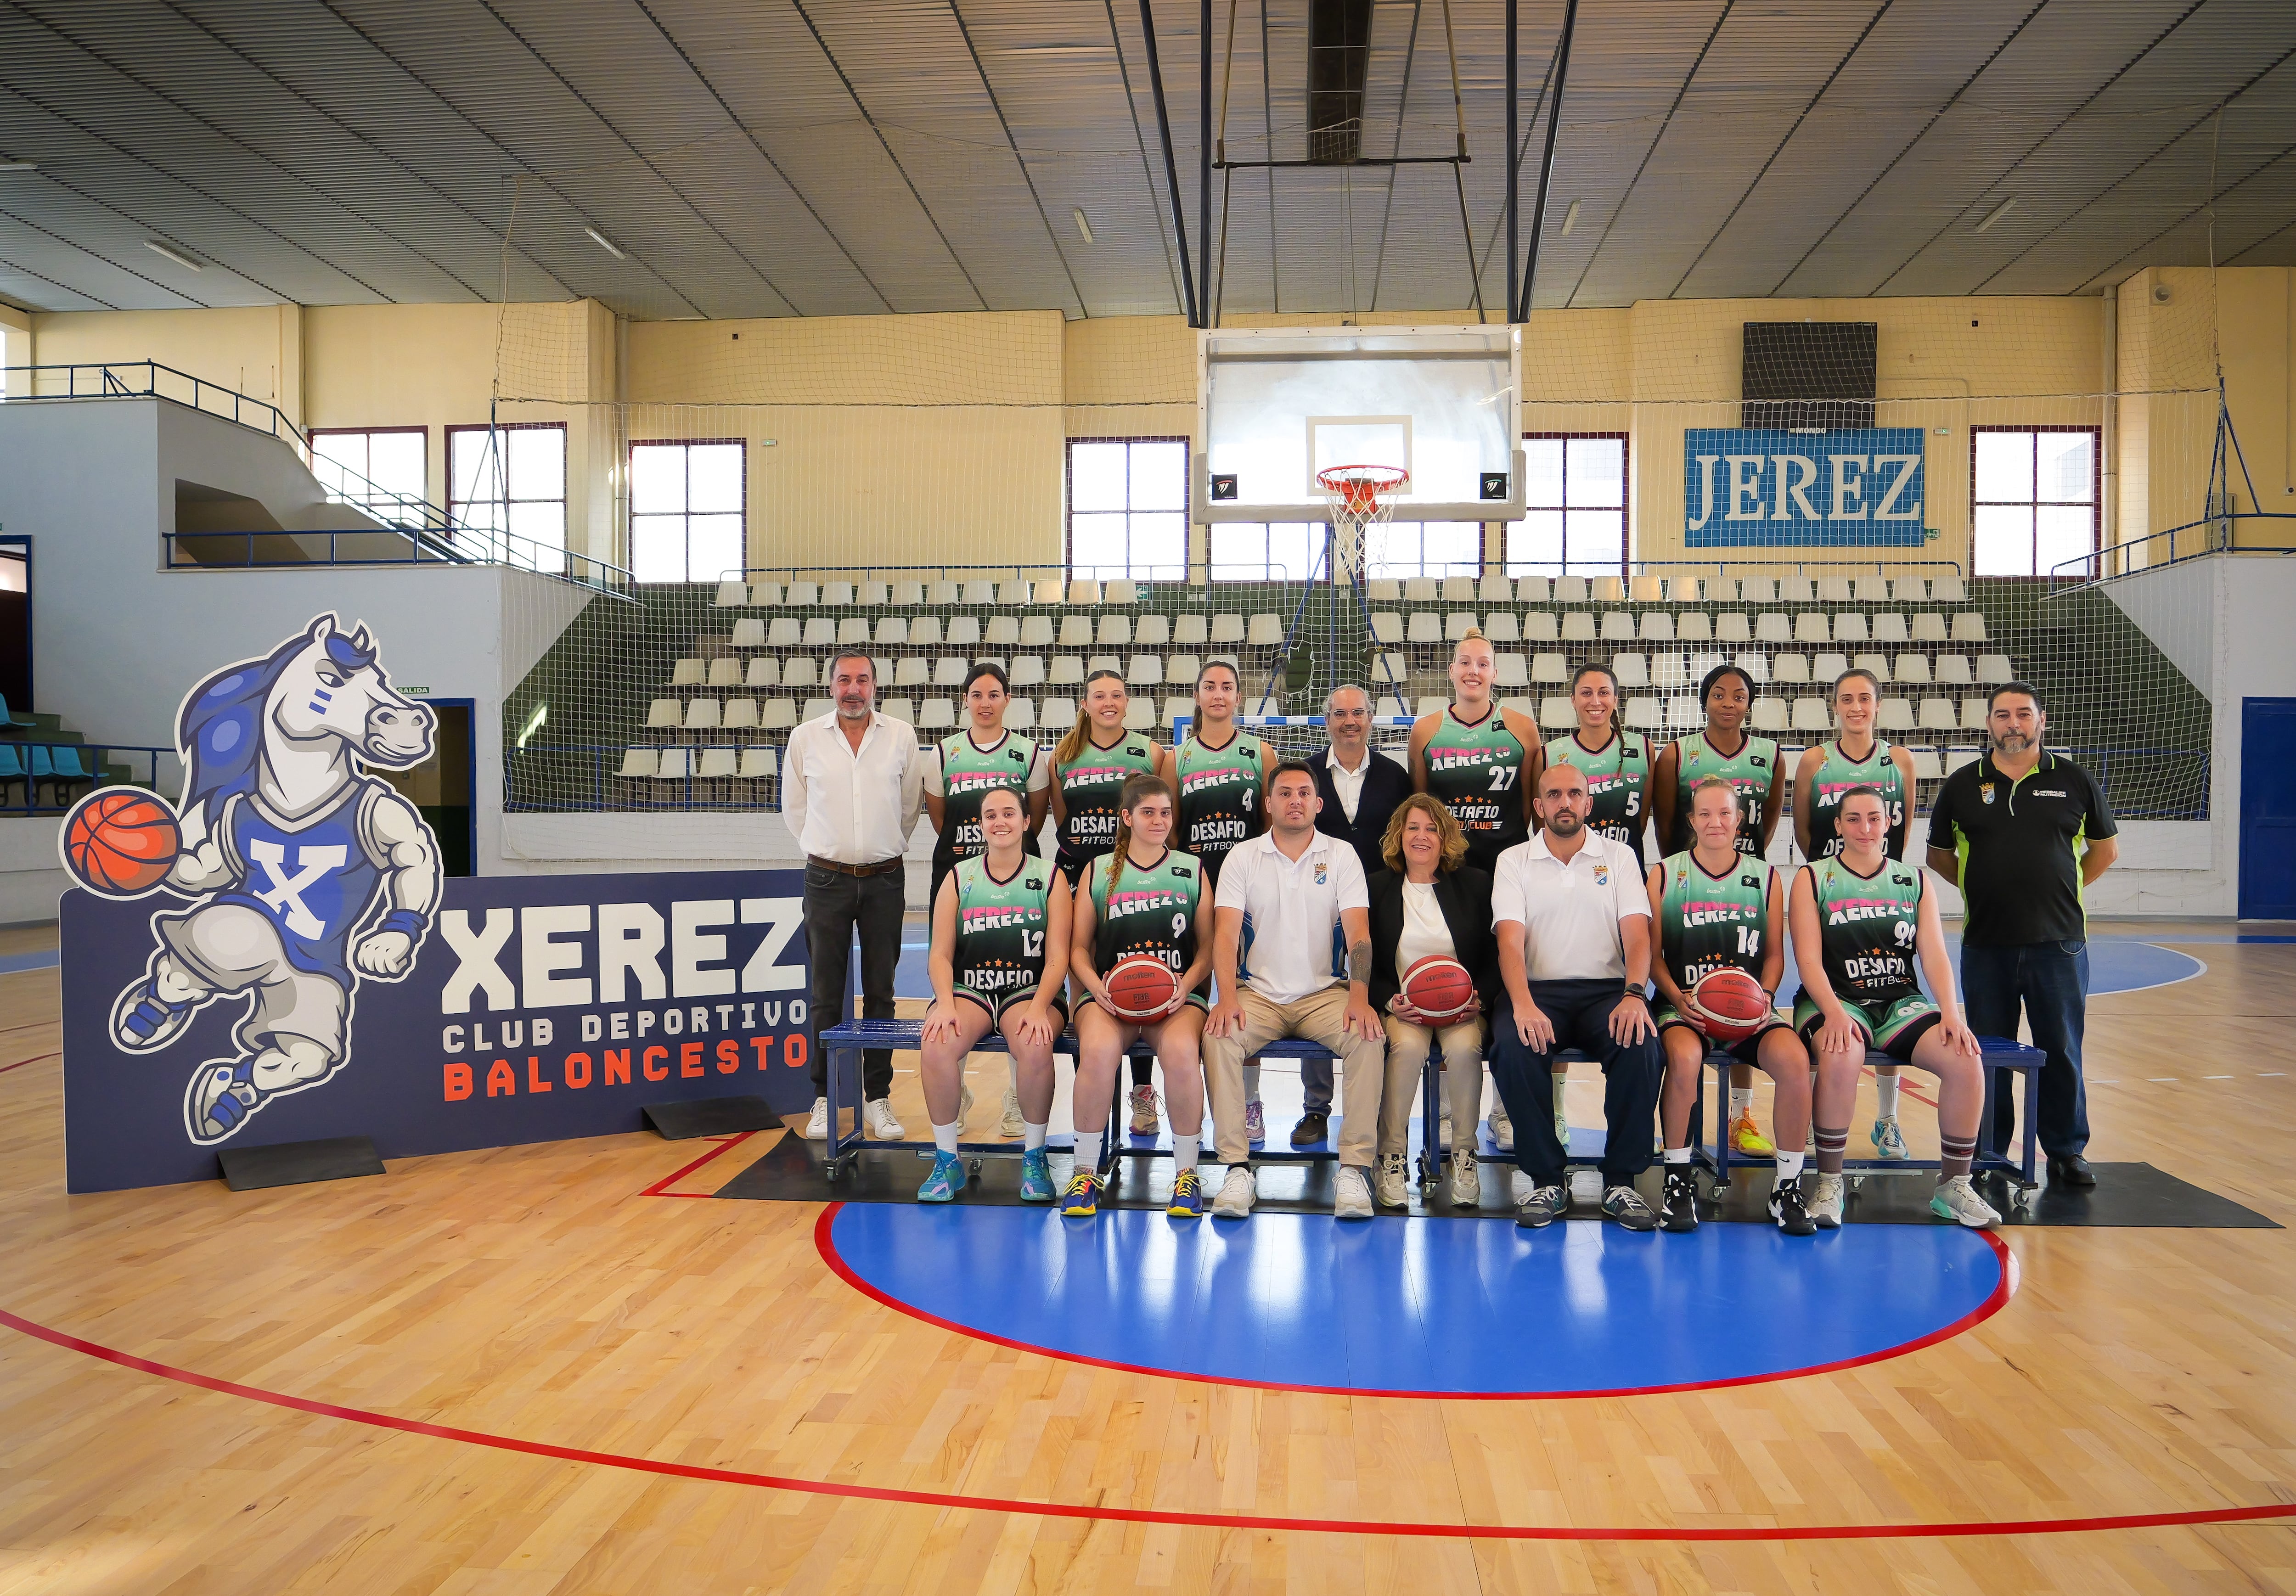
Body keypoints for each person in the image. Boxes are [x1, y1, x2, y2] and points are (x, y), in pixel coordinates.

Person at [1926, 682, 2119, 1189]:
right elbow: (1939, 856)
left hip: (2058, 943)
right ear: (1987, 723)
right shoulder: (1962, 784)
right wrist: (1982, 884)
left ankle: (2065, 1150)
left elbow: (2103, 850)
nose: (2012, 723)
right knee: (1986, 1052)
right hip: (1985, 942)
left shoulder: (2073, 779)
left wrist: (2061, 888)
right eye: (2001, 714)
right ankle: (1988, 1149)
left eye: (2022, 714)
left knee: (2060, 1047)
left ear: (2041, 720)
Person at [1792, 787, 1998, 1228]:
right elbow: (1807, 960)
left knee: (1966, 1059)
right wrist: (1833, 1013)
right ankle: (1830, 1182)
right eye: (1853, 819)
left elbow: (1935, 955)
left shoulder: (1914, 880)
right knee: (1842, 1052)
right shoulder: (1812, 878)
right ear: (1838, 825)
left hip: (1899, 1001)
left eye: (1873, 818)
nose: (1864, 828)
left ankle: (1953, 1186)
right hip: (1834, 1000)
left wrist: (1951, 1013)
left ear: (1888, 823)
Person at [1203, 762, 1384, 1219]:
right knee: (1219, 1036)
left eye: (1304, 792)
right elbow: (1223, 936)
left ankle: (1353, 1170)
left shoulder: (1341, 854)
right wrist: (1225, 997)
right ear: (1268, 803)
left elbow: (1359, 934)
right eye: (1284, 793)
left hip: (1324, 993)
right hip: (1258, 994)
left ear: (1318, 803)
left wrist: (1359, 998)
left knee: (1368, 1036)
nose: (1295, 800)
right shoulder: (1243, 856)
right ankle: (1236, 1168)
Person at [1488, 761, 1664, 1231]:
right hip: (1536, 989)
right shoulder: (1514, 861)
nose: (1564, 802)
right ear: (1538, 805)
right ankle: (1546, 1177)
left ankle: (1620, 1179)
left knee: (1642, 1044)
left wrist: (1633, 993)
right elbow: (1509, 941)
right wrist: (1521, 1003)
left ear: (1588, 802)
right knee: (1511, 1043)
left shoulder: (1620, 856)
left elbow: (1637, 934)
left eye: (1573, 794)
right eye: (1553, 794)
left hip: (1606, 992)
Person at [1647, 776, 1815, 1235]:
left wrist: (1764, 995)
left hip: (1749, 1007)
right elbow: (1652, 953)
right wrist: (1678, 998)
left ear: (1739, 819)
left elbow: (1776, 954)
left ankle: (1787, 1186)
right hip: (1685, 1005)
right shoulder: (1665, 873)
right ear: (1690, 820)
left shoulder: (1765, 877)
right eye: (1704, 813)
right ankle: (1677, 1182)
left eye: (1724, 813)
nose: (1714, 821)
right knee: (1682, 1058)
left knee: (1795, 1061)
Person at [1410, 628, 1542, 1152]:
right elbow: (1418, 811)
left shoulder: (1521, 730)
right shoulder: (1426, 729)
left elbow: (1533, 806)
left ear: (1494, 672)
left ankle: (1504, 1110)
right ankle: (1443, 1111)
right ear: (1451, 670)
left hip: (1506, 871)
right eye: (1464, 662)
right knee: (1441, 983)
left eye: (1482, 663)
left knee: (1509, 986)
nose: (1472, 671)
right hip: (1448, 877)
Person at [784, 650, 924, 1142]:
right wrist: (832, 851)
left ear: (874, 687)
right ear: (830, 687)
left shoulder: (901, 736)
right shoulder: (804, 739)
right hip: (825, 880)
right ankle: (823, 1098)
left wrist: (878, 848)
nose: (853, 688)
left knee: (881, 993)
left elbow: (909, 807)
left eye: (862, 680)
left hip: (885, 878)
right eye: (844, 679)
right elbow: (795, 809)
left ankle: (876, 1098)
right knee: (826, 993)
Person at [1062, 773, 1212, 1219]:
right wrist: (1096, 987)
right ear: (1126, 817)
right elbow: (1076, 947)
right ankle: (1085, 1170)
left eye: (1165, 812)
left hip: (1174, 999)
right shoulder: (1098, 869)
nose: (1158, 820)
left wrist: (1185, 986)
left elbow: (1206, 948)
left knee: (1184, 1054)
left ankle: (1186, 1174)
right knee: (1097, 1052)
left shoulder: (1191, 868)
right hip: (1110, 998)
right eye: (1148, 812)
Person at [1652, 662, 1785, 1162]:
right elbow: (1665, 822)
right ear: (1704, 700)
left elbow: (1767, 820)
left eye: (1739, 695)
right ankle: (1675, 1142)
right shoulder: (1677, 752)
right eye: (1719, 694)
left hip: (1741, 879)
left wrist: (1737, 860)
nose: (1729, 702)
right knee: (1691, 995)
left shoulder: (1768, 755)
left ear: (1749, 703)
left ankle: (1740, 1116)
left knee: (1740, 992)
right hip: (1689, 878)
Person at [914, 787, 1069, 1204]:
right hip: (971, 988)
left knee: (1035, 1045)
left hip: (1029, 989)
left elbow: (1058, 958)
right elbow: (940, 955)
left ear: (1025, 822)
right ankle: (947, 1159)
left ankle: (1034, 1156)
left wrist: (1040, 1008)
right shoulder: (959, 877)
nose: (999, 822)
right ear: (980, 825)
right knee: (937, 1042)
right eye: (990, 816)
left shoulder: (1051, 877)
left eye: (1008, 814)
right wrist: (944, 1002)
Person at [1792, 667, 1920, 1162]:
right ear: (1834, 705)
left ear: (1877, 705)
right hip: (1828, 893)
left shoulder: (1900, 761)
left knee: (1892, 990)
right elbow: (1804, 832)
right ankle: (1808, 1118)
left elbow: (1901, 832)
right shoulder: (1813, 761)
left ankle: (1887, 1119)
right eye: (1846, 698)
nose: (1855, 707)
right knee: (1823, 1001)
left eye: (1864, 698)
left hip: (1883, 893)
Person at [923, 662, 1052, 1139]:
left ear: (1007, 699)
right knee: (954, 978)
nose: (984, 702)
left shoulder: (1028, 752)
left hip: (1020, 870)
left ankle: (1019, 1099)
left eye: (993, 694)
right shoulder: (943, 753)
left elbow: (1035, 816)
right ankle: (953, 1096)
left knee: (1026, 975)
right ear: (965, 700)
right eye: (976, 694)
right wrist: (974, 854)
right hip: (959, 870)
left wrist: (1005, 846)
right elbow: (942, 819)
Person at [1048, 668, 1169, 1139]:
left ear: (1127, 701)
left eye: (1116, 694)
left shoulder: (1149, 751)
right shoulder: (1062, 755)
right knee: (1086, 991)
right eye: (1099, 695)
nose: (1108, 702)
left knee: (1140, 979)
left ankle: (1142, 1095)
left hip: (1134, 874)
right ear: (1085, 702)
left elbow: (1157, 816)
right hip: (1080, 873)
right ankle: (1092, 1086)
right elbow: (1061, 818)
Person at [1366, 795, 1495, 1209]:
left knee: (1464, 1049)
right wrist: (1389, 1000)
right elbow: (1363, 959)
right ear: (1399, 837)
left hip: (1461, 1009)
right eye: (1413, 828)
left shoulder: (1475, 884)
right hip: (1406, 1008)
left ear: (1445, 838)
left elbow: (1498, 955)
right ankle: (1390, 1156)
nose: (1422, 836)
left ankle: (1463, 1154)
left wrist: (1482, 998)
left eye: (1431, 829)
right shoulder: (1378, 887)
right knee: (1407, 1047)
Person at [1301, 682, 1412, 1147]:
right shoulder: (1304, 773)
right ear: (1326, 720)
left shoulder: (1395, 776)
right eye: (1339, 713)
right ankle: (1315, 1108)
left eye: (1358, 713)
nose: (1349, 721)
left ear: (1371, 719)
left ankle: (1372, 1111)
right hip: (1317, 906)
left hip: (1380, 905)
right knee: (1315, 990)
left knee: (1372, 998)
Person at [1176, 659, 1278, 1143]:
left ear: (1238, 696)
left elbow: (1271, 825)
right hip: (1195, 887)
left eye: (1227, 687)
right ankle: (1190, 1105)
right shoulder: (1177, 757)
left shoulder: (1259, 752)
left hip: (1248, 886)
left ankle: (1250, 1101)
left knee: (1243, 996)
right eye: (1209, 686)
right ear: (1197, 695)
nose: (1218, 694)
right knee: (1195, 996)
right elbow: (1171, 829)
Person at [1548, 662, 1652, 856]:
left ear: (1615, 699)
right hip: (1572, 870)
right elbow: (1545, 827)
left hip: (1627, 865)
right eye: (1586, 693)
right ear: (1573, 700)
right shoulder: (1550, 754)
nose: (1595, 702)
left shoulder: (1643, 748)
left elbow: (1641, 822)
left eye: (1604, 693)